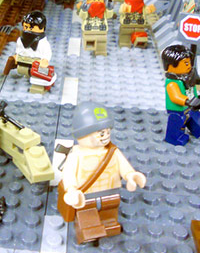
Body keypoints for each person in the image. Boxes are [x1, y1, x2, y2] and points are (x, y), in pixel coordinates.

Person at [61, 102, 146, 244]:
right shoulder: (76, 155)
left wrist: (130, 175)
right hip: (86, 196)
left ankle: (108, 225)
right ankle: (88, 230)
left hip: (110, 192)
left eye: (107, 132)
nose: (106, 136)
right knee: (87, 215)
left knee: (109, 212)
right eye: (101, 133)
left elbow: (123, 166)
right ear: (84, 135)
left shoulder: (112, 151)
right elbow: (68, 174)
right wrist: (71, 189)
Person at [161, 44, 200, 145]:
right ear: (171, 66)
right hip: (177, 109)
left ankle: (198, 129)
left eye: (189, 63)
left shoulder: (187, 79)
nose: (189, 66)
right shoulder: (172, 83)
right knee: (177, 123)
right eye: (185, 63)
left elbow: (191, 90)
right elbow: (175, 97)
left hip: (188, 106)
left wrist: (198, 97)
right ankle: (174, 137)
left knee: (193, 116)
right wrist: (187, 101)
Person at [14, 10, 56, 93]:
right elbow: (19, 49)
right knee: (23, 69)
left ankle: (38, 86)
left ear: (42, 28)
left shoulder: (43, 43)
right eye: (25, 27)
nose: (28, 30)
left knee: (39, 73)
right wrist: (17, 55)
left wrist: (45, 60)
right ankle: (28, 75)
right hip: (23, 61)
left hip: (37, 63)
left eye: (31, 28)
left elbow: (47, 52)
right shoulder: (21, 40)